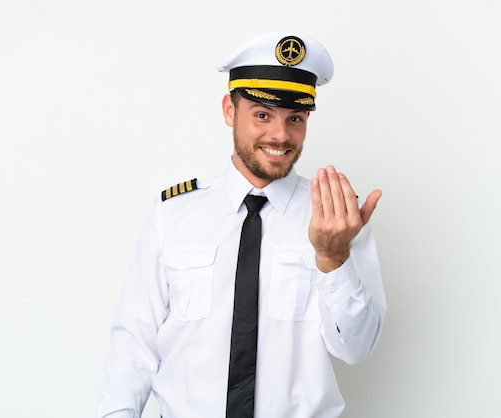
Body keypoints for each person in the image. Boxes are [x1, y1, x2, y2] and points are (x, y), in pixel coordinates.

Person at [96, 32, 387, 418]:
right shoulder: (174, 213)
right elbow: (134, 343)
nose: (280, 135)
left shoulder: (337, 219)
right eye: (262, 115)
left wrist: (333, 258)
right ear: (230, 111)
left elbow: (356, 348)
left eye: (295, 119)